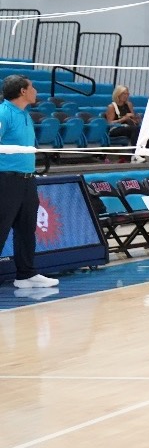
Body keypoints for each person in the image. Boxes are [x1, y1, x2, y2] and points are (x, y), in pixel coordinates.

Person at [0, 75, 56, 291]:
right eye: (32, 87)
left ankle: (26, 274)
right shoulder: (3, 113)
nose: (35, 91)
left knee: (26, 229)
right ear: (23, 91)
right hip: (6, 180)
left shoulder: (25, 114)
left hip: (27, 179)